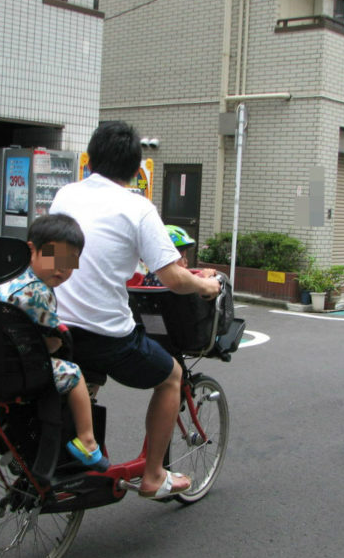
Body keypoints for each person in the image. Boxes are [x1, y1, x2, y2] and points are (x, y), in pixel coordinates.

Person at [50, 121, 220, 499]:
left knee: (82, 378)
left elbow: (61, 261)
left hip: (56, 328)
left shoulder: (66, 195)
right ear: (135, 169)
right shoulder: (137, 207)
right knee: (171, 376)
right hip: (104, 336)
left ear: (90, 159)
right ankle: (154, 475)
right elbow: (174, 279)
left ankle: (74, 453)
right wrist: (206, 284)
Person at [0, 214, 108, 472]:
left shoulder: (7, 280)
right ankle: (87, 440)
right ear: (33, 250)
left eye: (69, 261)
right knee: (74, 374)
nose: (62, 269)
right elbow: (51, 341)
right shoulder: (38, 292)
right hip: (22, 369)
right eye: (56, 257)